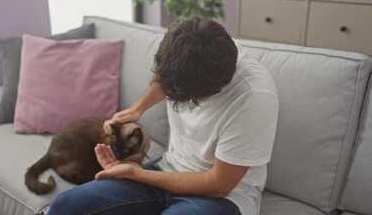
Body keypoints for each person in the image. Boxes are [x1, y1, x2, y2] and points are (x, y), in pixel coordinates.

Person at [48, 17, 278, 215]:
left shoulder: (253, 98)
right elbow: (164, 78)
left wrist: (140, 174)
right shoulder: (192, 47)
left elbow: (219, 184)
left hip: (220, 198)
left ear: (209, 91)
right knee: (66, 205)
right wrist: (138, 108)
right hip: (168, 171)